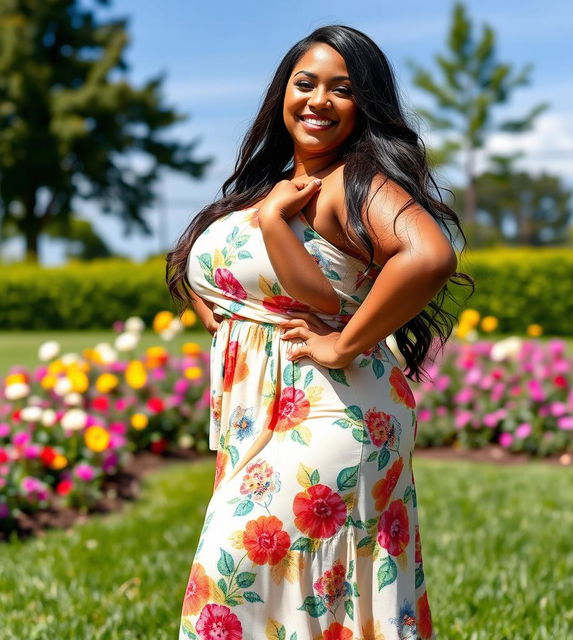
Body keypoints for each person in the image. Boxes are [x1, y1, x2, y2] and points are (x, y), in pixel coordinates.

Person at [167, 24, 472, 640]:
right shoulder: (270, 187)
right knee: (296, 601)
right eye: (305, 84)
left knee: (230, 584)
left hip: (334, 409)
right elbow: (226, 276)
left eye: (343, 89)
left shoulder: (355, 180)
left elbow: (429, 256)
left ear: (367, 106)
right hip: (266, 411)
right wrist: (222, 309)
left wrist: (342, 341)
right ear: (282, 93)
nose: (318, 100)